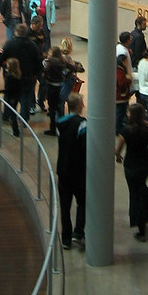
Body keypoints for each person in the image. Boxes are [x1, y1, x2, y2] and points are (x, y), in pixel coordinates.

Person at [115, 101, 148, 241]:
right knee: (141, 188)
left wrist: (118, 156)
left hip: (131, 164)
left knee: (135, 194)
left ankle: (141, 225)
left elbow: (118, 150)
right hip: (145, 162)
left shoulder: (126, 130)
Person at [0, 23, 41, 131]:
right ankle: (24, 119)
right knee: (25, 98)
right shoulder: (32, 45)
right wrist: (36, 74)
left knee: (9, 97)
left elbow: (1, 58)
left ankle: (7, 116)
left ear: (16, 32)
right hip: (28, 76)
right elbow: (38, 61)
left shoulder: (10, 44)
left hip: (12, 76)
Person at [56, 92, 87, 250]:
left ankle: (66, 238)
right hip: (78, 171)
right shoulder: (82, 124)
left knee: (64, 205)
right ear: (79, 105)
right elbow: (84, 147)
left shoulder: (60, 123)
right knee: (83, 202)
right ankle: (78, 232)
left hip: (63, 169)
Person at [115, 53, 132, 136]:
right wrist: (129, 79)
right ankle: (117, 129)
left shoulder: (118, 69)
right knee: (120, 113)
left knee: (120, 113)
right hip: (120, 97)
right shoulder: (119, 71)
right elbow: (122, 84)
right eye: (126, 61)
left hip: (119, 97)